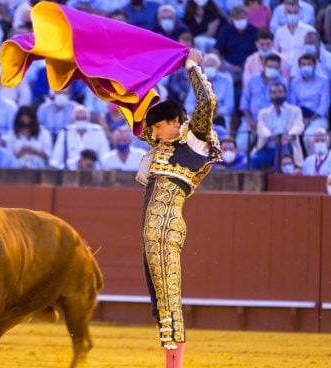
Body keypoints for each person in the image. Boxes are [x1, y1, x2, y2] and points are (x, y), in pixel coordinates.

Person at [135, 48, 220, 367]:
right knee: (160, 301)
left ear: (174, 122)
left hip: (166, 227)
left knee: (168, 300)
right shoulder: (165, 144)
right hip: (151, 231)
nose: (154, 135)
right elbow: (136, 115)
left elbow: (207, 103)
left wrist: (191, 66)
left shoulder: (195, 139)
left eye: (159, 128)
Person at [251, 82, 304, 170]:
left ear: (285, 94)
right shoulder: (263, 113)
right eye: (274, 93)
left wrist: (289, 136)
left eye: (280, 92)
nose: (277, 95)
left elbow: (298, 126)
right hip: (268, 147)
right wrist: (270, 137)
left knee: (280, 154)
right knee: (254, 159)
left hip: (286, 145)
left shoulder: (295, 110)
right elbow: (261, 128)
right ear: (269, 95)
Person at [49, 105, 111, 170]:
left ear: (88, 118)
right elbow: (55, 159)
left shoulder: (98, 131)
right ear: (73, 119)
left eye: (84, 118)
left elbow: (105, 158)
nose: (81, 120)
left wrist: (90, 165)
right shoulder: (65, 132)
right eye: (78, 118)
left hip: (93, 172)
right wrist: (71, 165)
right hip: (70, 172)